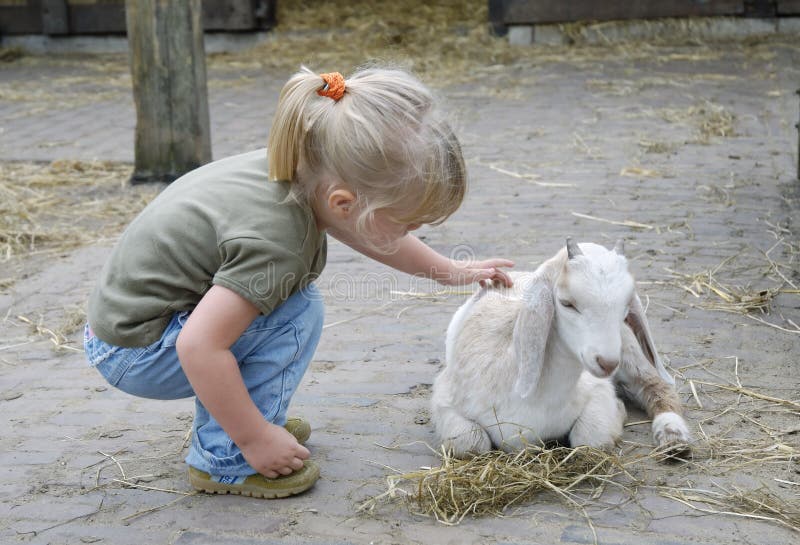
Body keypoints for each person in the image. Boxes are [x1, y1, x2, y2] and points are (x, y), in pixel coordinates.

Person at [84, 66, 514, 499]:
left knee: (287, 303)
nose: (411, 231)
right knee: (296, 312)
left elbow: (368, 232)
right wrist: (254, 438)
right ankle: (226, 458)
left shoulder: (304, 167)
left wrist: (450, 271)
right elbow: (198, 347)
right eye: (407, 222)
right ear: (343, 203)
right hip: (136, 351)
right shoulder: (277, 242)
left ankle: (249, 418)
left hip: (131, 326)